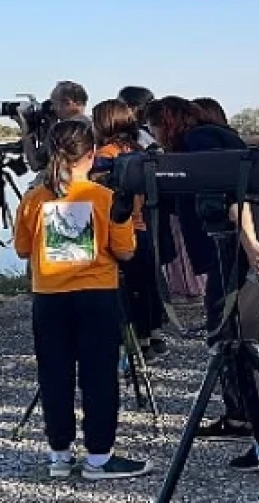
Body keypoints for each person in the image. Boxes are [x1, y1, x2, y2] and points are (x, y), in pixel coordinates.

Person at [146, 96, 259, 470]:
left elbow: (234, 191)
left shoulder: (199, 140)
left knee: (235, 339)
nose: (151, 135)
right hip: (238, 247)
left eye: (152, 126)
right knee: (225, 333)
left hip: (241, 249)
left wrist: (249, 245)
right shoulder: (213, 136)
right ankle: (239, 416)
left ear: (166, 121)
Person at [12, 120, 152, 480]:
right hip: (96, 296)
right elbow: (124, 251)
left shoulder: (33, 198)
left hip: (49, 298)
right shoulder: (105, 198)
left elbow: (23, 248)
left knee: (54, 375)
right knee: (99, 376)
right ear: (91, 155)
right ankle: (99, 458)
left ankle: (59, 454)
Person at [92, 99, 166, 358]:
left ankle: (137, 343)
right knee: (148, 284)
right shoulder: (139, 148)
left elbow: (101, 194)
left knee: (129, 289)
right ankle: (154, 335)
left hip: (124, 226)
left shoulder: (106, 155)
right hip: (146, 225)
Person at [16, 81, 91, 175]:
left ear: (68, 103)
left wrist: (25, 131)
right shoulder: (93, 126)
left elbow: (36, 164)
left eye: (54, 103)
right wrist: (51, 124)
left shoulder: (63, 131)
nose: (51, 108)